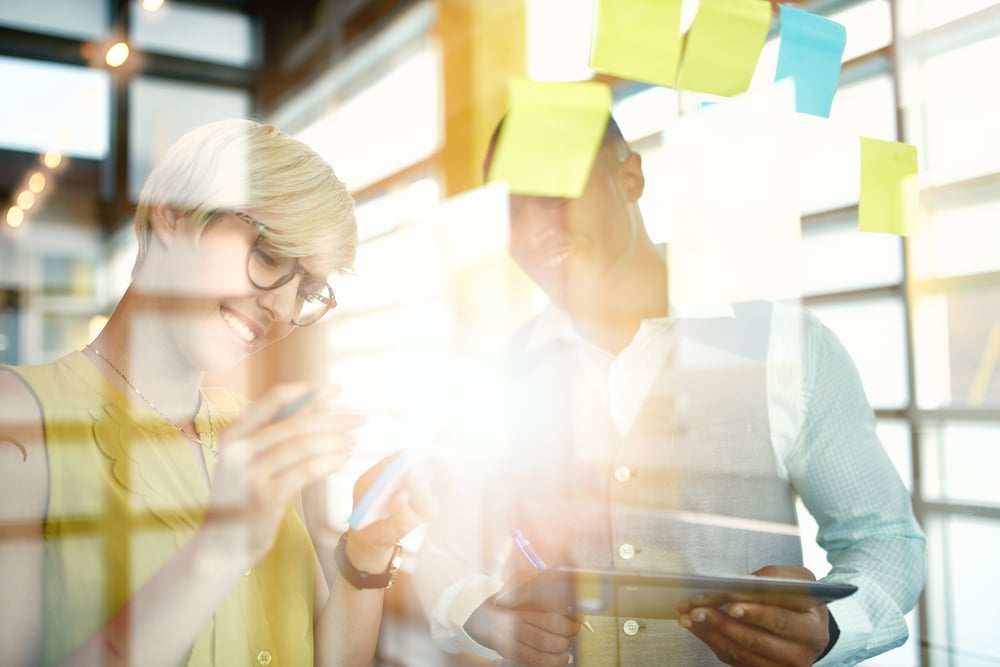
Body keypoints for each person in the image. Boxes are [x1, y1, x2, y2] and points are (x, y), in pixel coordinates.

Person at [413, 112, 926, 666]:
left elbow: (885, 540)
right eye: (511, 212)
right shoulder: (497, 376)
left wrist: (830, 628)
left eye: (553, 196)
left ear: (629, 177)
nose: (532, 232)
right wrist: (481, 612)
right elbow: (443, 553)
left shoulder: (788, 345)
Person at [0, 118, 435, 666]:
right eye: (271, 255)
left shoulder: (253, 434)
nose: (281, 307)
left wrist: (367, 550)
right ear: (174, 215)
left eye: (308, 290)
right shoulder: (19, 419)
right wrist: (220, 547)